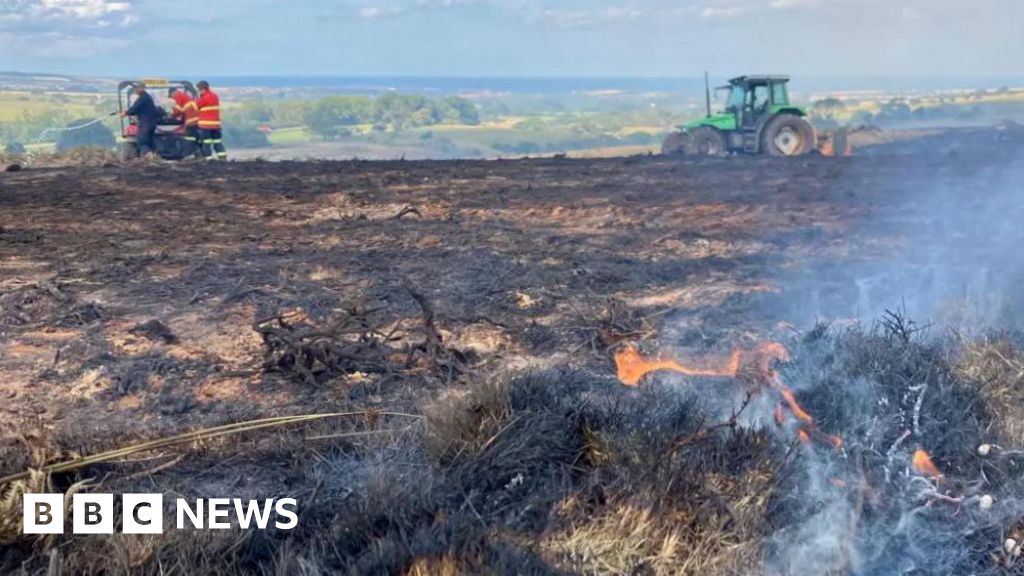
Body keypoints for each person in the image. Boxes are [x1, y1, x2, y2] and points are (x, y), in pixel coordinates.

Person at [120, 81, 158, 157]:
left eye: (137, 88)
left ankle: (148, 156)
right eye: (135, 88)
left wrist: (126, 113)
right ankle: (154, 155)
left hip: (145, 123)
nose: (136, 90)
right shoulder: (146, 97)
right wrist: (128, 112)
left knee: (142, 141)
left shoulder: (143, 98)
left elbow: (135, 108)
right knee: (150, 142)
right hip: (151, 123)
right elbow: (137, 109)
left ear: (142, 88)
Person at [196, 80, 227, 161]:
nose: (199, 91)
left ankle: (208, 160)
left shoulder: (205, 97)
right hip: (216, 126)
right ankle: (223, 158)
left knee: (206, 143)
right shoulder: (215, 96)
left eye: (199, 90)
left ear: (202, 89)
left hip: (205, 126)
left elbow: (197, 105)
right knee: (217, 142)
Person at [170, 88, 201, 158]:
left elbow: (177, 110)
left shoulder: (178, 96)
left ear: (173, 93)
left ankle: (188, 155)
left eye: (171, 96)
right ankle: (196, 154)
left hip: (191, 121)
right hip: (197, 121)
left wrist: (171, 116)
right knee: (195, 139)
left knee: (189, 139)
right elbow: (183, 110)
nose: (172, 98)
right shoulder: (185, 97)